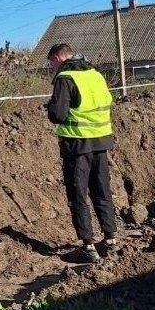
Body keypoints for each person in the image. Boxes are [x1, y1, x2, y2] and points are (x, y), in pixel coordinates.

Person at [46, 43, 118, 263]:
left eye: (51, 62)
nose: (51, 67)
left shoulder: (65, 78)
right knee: (102, 191)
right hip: (101, 141)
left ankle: (88, 246)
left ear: (59, 58)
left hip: (77, 145)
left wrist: (50, 107)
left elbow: (58, 115)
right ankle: (110, 239)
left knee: (78, 195)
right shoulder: (95, 74)